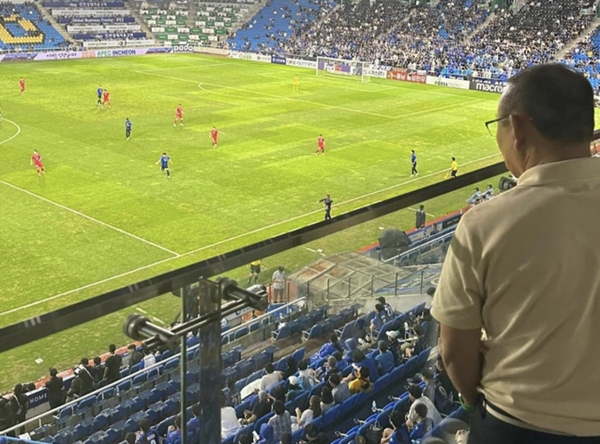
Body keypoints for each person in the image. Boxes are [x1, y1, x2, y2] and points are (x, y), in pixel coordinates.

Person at [433, 63, 600, 443]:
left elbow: (454, 352)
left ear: (519, 128)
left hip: (515, 425)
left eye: (498, 126)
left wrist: (473, 402)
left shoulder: (484, 224)